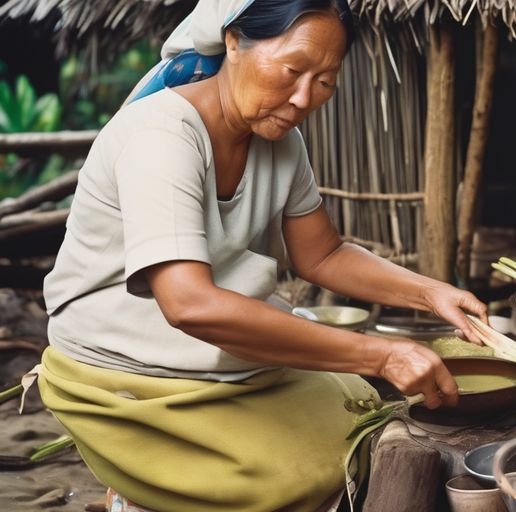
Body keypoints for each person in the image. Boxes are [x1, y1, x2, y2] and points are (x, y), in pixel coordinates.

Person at [35, 0, 489, 510]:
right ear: (233, 41)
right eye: (292, 70)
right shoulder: (162, 137)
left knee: (358, 416)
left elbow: (324, 255)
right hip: (126, 366)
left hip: (205, 345)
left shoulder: (281, 141)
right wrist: (381, 354)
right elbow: (189, 304)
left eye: (325, 81)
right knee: (302, 473)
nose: (302, 98)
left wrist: (432, 293)